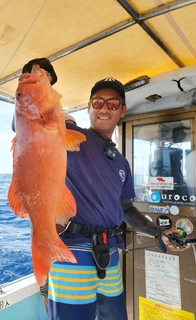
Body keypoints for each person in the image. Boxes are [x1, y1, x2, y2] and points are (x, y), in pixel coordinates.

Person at [46, 77, 190, 320]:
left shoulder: (121, 161)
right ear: (88, 107)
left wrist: (157, 231)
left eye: (113, 104)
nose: (104, 108)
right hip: (72, 254)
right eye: (98, 102)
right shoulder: (71, 136)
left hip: (111, 256)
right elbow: (28, 123)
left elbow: (125, 208)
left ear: (122, 110)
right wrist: (37, 81)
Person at [11, 58, 57, 132]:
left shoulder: (53, 101)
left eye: (46, 75)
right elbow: (16, 127)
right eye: (28, 76)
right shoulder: (24, 100)